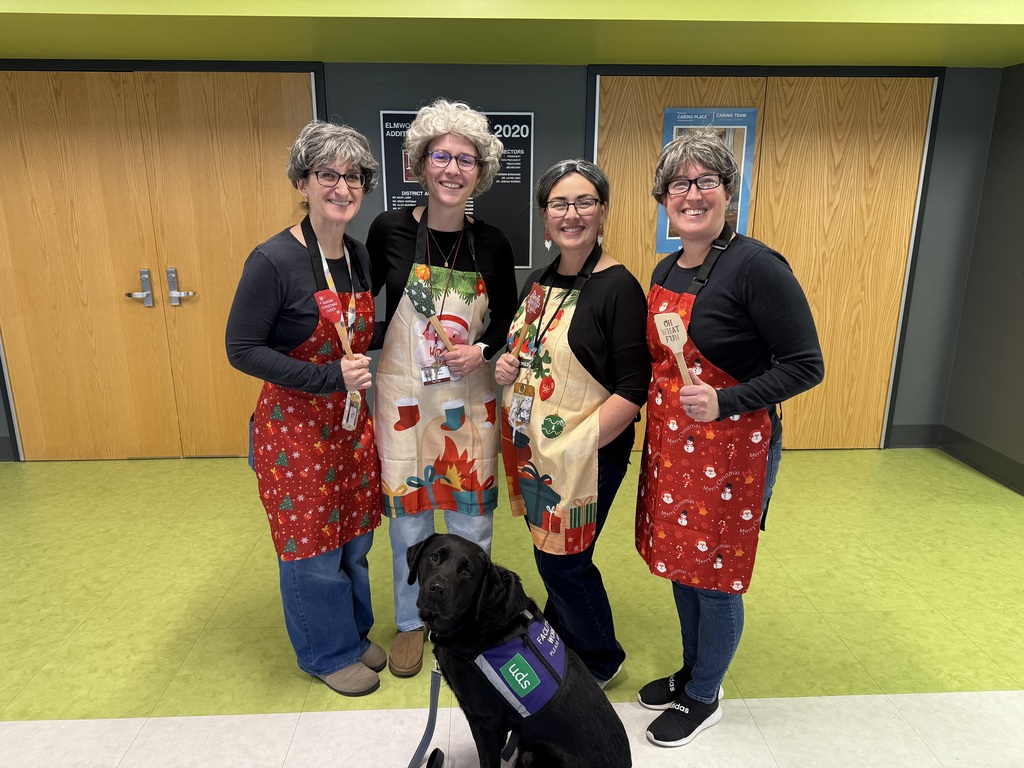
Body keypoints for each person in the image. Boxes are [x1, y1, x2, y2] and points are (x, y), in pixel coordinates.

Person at [636, 127, 824, 746]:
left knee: (715, 574)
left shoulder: (757, 266)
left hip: (731, 447)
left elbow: (804, 365)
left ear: (727, 193)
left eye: (706, 181)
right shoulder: (669, 267)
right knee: (682, 565)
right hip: (674, 444)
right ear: (665, 198)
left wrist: (725, 400)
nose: (692, 194)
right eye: (680, 184)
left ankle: (705, 693)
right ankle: (693, 669)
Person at [225, 120, 384, 697]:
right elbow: (241, 349)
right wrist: (325, 377)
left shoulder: (358, 256)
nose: (342, 188)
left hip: (347, 426)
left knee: (355, 538)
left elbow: (356, 333)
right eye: (327, 175)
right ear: (302, 181)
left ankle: (353, 628)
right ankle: (326, 650)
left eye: (353, 177)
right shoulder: (271, 261)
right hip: (293, 431)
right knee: (313, 545)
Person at [367, 99, 518, 678]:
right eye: (441, 156)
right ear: (420, 165)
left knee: (471, 520)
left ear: (480, 172)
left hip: (468, 399)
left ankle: (467, 617)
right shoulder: (388, 231)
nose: (452, 169)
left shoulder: (495, 244)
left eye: (465, 159)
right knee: (408, 517)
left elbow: (507, 319)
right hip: (404, 397)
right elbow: (365, 306)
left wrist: (483, 349)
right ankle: (411, 623)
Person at [494, 159, 651, 688]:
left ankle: (601, 659)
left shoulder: (618, 287)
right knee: (548, 549)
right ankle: (562, 633)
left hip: (589, 452)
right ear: (545, 217)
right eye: (559, 204)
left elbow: (633, 389)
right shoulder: (539, 280)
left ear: (603, 213)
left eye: (585, 202)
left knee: (565, 561)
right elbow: (522, 350)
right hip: (539, 450)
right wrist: (505, 363)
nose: (572, 213)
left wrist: (577, 446)